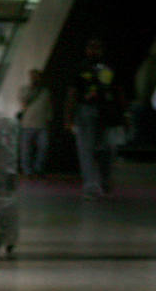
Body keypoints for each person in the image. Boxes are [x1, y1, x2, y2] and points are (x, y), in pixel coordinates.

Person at [65, 37, 125, 198]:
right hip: (86, 110)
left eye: (96, 47)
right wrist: (69, 117)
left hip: (106, 112)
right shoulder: (81, 68)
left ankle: (103, 182)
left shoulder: (109, 69)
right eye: (91, 47)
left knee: (106, 150)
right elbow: (72, 93)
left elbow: (118, 91)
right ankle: (92, 186)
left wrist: (121, 114)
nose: (93, 51)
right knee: (88, 150)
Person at [18, 68, 52, 176]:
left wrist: (49, 119)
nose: (34, 79)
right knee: (26, 150)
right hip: (27, 124)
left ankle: (38, 168)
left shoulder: (45, 92)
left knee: (44, 147)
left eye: (36, 76)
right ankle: (27, 170)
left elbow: (49, 106)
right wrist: (32, 89)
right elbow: (23, 101)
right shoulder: (24, 90)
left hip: (42, 124)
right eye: (33, 76)